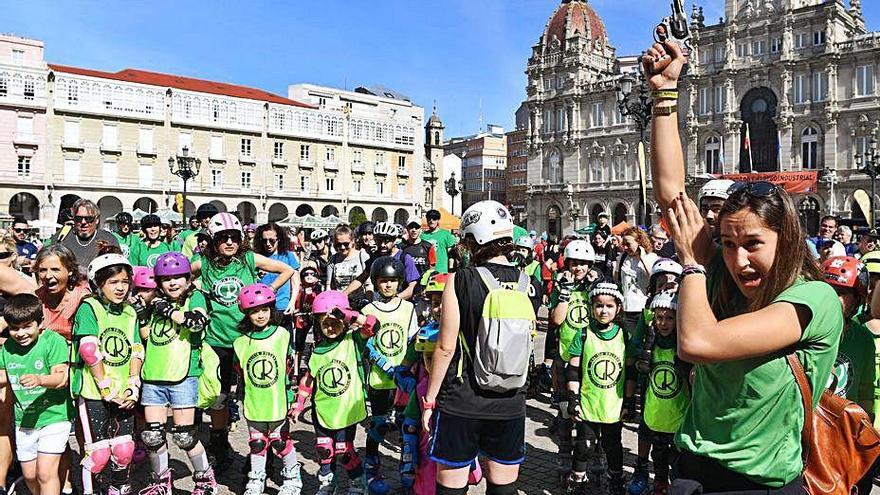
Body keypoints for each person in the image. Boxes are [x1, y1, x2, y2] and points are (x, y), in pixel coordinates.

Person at [645, 37, 843, 492]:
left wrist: (693, 264)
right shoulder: (721, 272)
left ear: (787, 238)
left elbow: (697, 341)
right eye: (728, 243)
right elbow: (673, 195)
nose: (737, 258)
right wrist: (664, 95)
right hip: (693, 467)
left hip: (760, 483)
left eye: (753, 243)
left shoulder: (813, 299)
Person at [422, 200, 541, 495]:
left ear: (474, 239)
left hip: (463, 399)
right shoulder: (529, 284)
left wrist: (429, 400)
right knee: (504, 488)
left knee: (452, 487)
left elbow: (445, 347)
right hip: (511, 399)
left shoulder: (460, 280)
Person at [189, 212, 295, 467]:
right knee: (219, 396)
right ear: (213, 240)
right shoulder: (204, 262)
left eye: (234, 238)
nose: (229, 243)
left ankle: (265, 452)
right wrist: (192, 293)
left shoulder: (247, 259)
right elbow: (181, 274)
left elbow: (287, 269)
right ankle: (220, 447)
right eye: (223, 238)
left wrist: (267, 291)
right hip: (218, 340)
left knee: (259, 393)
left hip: (250, 339)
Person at [138, 252, 215, 495]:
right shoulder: (156, 303)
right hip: (154, 375)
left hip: (183, 376)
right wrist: (142, 314)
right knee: (152, 434)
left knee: (184, 436)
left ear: (188, 279)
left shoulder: (196, 298)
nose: (173, 283)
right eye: (166, 279)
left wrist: (167, 311)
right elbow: (146, 336)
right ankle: (160, 482)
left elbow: (196, 323)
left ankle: (204, 480)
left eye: (178, 278)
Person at [289, 290, 379, 495]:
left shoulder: (353, 340)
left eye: (335, 322)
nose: (330, 327)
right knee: (324, 449)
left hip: (346, 409)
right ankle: (327, 483)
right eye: (325, 323)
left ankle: (357, 483)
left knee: (344, 450)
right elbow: (308, 380)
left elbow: (373, 324)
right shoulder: (317, 350)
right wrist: (298, 405)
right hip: (323, 408)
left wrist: (348, 314)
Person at [70, 251, 144, 495]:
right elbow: (89, 350)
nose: (120, 288)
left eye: (124, 282)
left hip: (124, 390)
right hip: (94, 392)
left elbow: (136, 350)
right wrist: (106, 388)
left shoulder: (129, 312)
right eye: (113, 282)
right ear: (98, 284)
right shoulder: (89, 307)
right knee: (99, 454)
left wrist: (133, 384)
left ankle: (119, 489)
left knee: (124, 450)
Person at [233, 284, 303, 495]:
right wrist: (239, 399)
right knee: (256, 443)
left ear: (271, 310)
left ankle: (292, 477)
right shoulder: (241, 342)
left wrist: (292, 396)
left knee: (280, 442)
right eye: (254, 311)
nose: (260, 315)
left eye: (264, 309)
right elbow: (241, 373)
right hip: (255, 402)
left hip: (278, 400)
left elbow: (288, 368)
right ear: (247, 313)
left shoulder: (282, 334)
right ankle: (256, 478)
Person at [0, 294, 73, 495]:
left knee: (45, 473)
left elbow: (61, 378)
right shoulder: (7, 347)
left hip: (54, 417)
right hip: (25, 421)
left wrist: (40, 379)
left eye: (27, 326)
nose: (21, 333)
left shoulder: (53, 341)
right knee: (30, 476)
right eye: (15, 328)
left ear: (40, 323)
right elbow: (5, 374)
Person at [359, 256, 418, 494]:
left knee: (406, 426)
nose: (388, 286)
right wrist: (380, 362)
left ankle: (407, 466)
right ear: (375, 282)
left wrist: (407, 369)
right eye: (383, 281)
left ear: (400, 282)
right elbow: (364, 343)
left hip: (403, 380)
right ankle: (371, 468)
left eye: (393, 281)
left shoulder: (408, 308)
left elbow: (413, 341)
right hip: (380, 379)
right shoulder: (368, 309)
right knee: (379, 424)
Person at [564, 282, 628, 494]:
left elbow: (631, 373)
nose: (604, 310)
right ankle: (577, 480)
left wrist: (628, 402)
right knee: (584, 446)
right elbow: (573, 371)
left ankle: (616, 480)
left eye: (609, 306)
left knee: (613, 447)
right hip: (588, 403)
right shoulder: (582, 334)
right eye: (599, 305)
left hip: (613, 405)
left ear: (618, 308)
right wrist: (573, 401)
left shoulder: (624, 336)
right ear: (591, 307)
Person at [549, 239, 601, 485]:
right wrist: (565, 293)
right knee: (564, 408)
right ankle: (564, 452)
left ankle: (593, 453)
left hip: (590, 354)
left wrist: (595, 289)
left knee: (590, 406)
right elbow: (557, 320)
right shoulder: (563, 285)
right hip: (566, 352)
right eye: (574, 263)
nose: (578, 267)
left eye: (582, 263)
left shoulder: (597, 285)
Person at [627, 291, 690, 495]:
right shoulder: (650, 344)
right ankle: (659, 483)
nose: (664, 323)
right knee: (659, 455)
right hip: (655, 412)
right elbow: (633, 357)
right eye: (659, 318)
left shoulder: (684, 346)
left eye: (670, 318)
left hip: (679, 414)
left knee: (679, 459)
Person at [33, 244, 90, 341]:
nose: (48, 276)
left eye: (55, 270)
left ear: (70, 270)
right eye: (42, 270)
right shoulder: (38, 297)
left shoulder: (82, 299)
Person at [55, 199, 120, 274]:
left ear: (97, 220)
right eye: (78, 218)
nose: (83, 222)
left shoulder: (109, 239)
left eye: (89, 218)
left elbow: (117, 269)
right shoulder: (62, 236)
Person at [614, 227, 658, 336]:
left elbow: (654, 280)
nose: (625, 247)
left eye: (628, 244)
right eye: (623, 244)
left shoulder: (651, 257)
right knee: (631, 342)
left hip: (644, 308)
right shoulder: (622, 258)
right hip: (627, 308)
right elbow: (616, 279)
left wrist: (642, 258)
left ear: (639, 241)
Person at [254, 222, 301, 320]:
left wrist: (292, 303)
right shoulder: (257, 258)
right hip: (262, 307)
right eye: (264, 240)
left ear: (278, 239)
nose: (268, 244)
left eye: (272, 240)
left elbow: (296, 283)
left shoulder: (288, 256)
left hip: (282, 306)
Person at [327, 225, 370, 304]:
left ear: (352, 241)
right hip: (340, 303)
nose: (342, 247)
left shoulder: (362, 256)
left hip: (360, 303)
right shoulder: (332, 259)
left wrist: (369, 304)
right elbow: (329, 286)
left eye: (346, 244)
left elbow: (368, 284)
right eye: (338, 244)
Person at [421, 210, 457, 274]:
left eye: (434, 218)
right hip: (425, 271)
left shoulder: (446, 234)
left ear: (438, 220)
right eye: (429, 218)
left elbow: (451, 254)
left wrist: (450, 270)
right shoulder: (422, 236)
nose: (431, 221)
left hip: (441, 270)